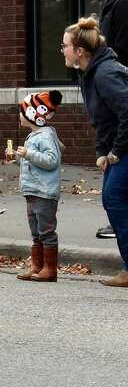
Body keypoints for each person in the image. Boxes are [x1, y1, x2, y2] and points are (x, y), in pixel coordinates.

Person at [62, 18, 128, 288]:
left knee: (114, 198)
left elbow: (127, 111)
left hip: (125, 148)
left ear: (80, 51)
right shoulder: (91, 73)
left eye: (64, 46)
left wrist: (116, 150)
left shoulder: (104, 73)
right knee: (115, 200)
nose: (61, 50)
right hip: (118, 147)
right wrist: (102, 151)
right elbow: (102, 118)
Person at [87, 0, 128, 241]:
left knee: (117, 150)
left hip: (116, 88)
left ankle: (118, 217)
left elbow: (121, 51)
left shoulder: (123, 5)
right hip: (113, 85)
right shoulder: (114, 4)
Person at [8, 90, 64, 283]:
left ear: (34, 115)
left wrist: (29, 154)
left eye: (22, 112)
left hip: (44, 192)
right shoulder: (34, 136)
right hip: (32, 190)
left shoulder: (45, 136)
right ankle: (37, 265)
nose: (20, 116)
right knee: (35, 231)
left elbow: (51, 160)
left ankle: (49, 268)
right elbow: (32, 163)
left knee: (46, 230)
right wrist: (17, 157)